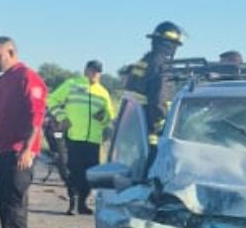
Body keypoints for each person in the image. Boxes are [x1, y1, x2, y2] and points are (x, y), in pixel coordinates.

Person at [0, 36, 47, 228]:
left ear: (12, 52)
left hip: (18, 152)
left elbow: (37, 117)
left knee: (14, 202)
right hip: (2, 150)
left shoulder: (27, 77)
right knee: (6, 201)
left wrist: (27, 149)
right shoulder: (2, 81)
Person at [48, 60, 115, 215]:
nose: (95, 74)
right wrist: (62, 117)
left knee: (89, 173)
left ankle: (83, 203)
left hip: (93, 140)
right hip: (74, 136)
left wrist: (103, 116)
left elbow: (110, 117)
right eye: (92, 70)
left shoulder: (103, 92)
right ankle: (73, 202)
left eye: (98, 72)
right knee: (74, 171)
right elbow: (52, 100)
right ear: (86, 70)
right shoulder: (72, 84)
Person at [119, 21, 183, 152]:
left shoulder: (144, 61)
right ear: (169, 44)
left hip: (135, 130)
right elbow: (160, 100)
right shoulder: (162, 66)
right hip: (152, 134)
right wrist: (163, 127)